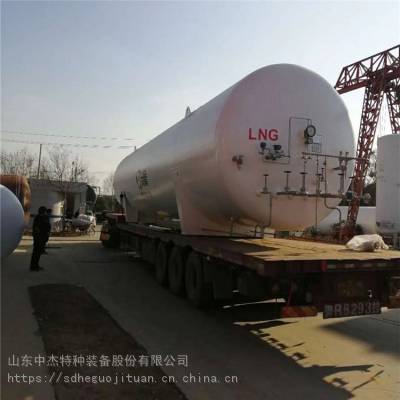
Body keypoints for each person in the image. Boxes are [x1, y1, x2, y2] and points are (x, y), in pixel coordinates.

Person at [30, 206, 50, 271]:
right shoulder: (39, 218)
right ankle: (34, 267)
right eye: (45, 212)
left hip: (39, 238)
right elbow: (38, 229)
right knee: (36, 253)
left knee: (37, 253)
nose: (46, 213)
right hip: (39, 239)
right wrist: (40, 238)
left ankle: (35, 265)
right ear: (43, 212)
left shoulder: (40, 218)